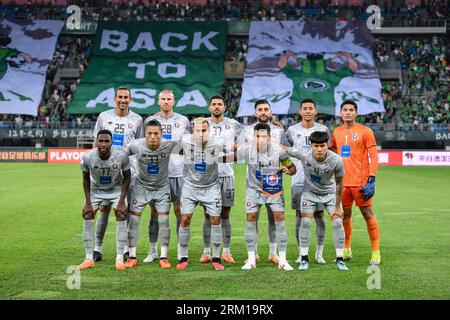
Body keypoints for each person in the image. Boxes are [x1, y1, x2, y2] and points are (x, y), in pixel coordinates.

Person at [92, 86, 144, 262]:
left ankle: (128, 249)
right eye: (120, 97)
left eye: (126, 97)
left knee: (127, 210)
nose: (123, 100)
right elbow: (95, 144)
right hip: (107, 172)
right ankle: (97, 248)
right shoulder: (104, 117)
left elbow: (139, 147)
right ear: (114, 99)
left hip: (130, 172)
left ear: (130, 99)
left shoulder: (137, 119)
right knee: (104, 208)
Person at [237, 123, 296, 271]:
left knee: (279, 219)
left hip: (273, 190)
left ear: (269, 137)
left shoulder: (279, 151)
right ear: (254, 137)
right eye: (258, 136)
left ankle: (282, 259)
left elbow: (292, 168)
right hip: (253, 190)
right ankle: (251, 259)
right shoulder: (246, 149)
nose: (261, 139)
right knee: (251, 219)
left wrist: (287, 170)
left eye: (264, 136)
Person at [287, 131, 348, 271]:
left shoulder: (336, 160)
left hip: (329, 193)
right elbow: (285, 149)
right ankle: (304, 259)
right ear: (311, 146)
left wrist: (338, 206)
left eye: (322, 146)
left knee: (338, 222)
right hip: (309, 193)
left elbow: (339, 183)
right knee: (306, 222)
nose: (319, 149)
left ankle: (340, 259)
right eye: (316, 146)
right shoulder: (304, 154)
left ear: (327, 145)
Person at [331, 100, 380, 266]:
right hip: (342, 184)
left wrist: (371, 178)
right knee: (345, 216)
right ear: (340, 113)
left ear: (356, 113)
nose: (348, 113)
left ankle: (375, 253)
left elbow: (373, 156)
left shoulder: (365, 131)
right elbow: (333, 154)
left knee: (368, 215)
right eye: (345, 110)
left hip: (360, 183)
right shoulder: (336, 132)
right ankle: (346, 249)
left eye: (351, 110)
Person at [124, 120, 179, 269]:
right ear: (145, 134)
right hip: (141, 187)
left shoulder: (170, 144)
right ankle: (132, 256)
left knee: (163, 221)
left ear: (161, 134)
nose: (153, 136)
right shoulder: (136, 144)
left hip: (162, 188)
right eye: (149, 133)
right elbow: (120, 156)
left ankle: (163, 257)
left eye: (156, 133)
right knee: (134, 221)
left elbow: (191, 150)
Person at [143, 89, 191, 263]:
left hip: (179, 173)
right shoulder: (149, 121)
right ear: (158, 101)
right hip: (158, 174)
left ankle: (180, 250)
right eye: (162, 99)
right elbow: (145, 146)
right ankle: (152, 250)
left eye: (168, 99)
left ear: (174, 101)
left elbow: (188, 146)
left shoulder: (183, 121)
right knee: (155, 212)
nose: (165, 102)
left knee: (180, 212)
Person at [177, 118, 227, 271]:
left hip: (211, 187)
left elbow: (235, 153)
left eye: (204, 131)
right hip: (190, 186)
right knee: (185, 219)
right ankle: (183, 256)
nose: (200, 134)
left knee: (215, 219)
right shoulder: (185, 141)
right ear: (193, 131)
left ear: (209, 130)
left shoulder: (218, 143)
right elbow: (171, 149)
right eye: (197, 131)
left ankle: (216, 257)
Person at [77, 130, 131, 271]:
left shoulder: (121, 155)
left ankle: (119, 258)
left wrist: (121, 201)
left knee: (121, 214)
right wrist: (88, 202)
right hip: (96, 189)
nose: (103, 144)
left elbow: (127, 177)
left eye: (107, 141)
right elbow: (85, 178)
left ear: (111, 142)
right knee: (87, 214)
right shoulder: (88, 156)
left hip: (115, 188)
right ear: (96, 141)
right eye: (100, 141)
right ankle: (89, 258)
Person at [199, 95, 243, 264]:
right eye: (214, 104)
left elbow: (244, 144)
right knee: (207, 214)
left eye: (220, 104)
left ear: (224, 107)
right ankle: (206, 251)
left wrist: (227, 147)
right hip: (208, 175)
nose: (217, 107)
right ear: (209, 108)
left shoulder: (234, 125)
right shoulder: (202, 125)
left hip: (227, 174)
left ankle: (226, 251)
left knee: (225, 214)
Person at [286, 98, 330, 265]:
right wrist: (287, 166)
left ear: (315, 111)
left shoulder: (323, 129)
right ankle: (301, 252)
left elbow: (328, 152)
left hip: (318, 181)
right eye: (305, 108)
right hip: (298, 180)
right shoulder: (291, 130)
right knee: (299, 216)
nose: (308, 111)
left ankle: (319, 253)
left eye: (311, 108)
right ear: (300, 111)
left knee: (319, 216)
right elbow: (285, 150)